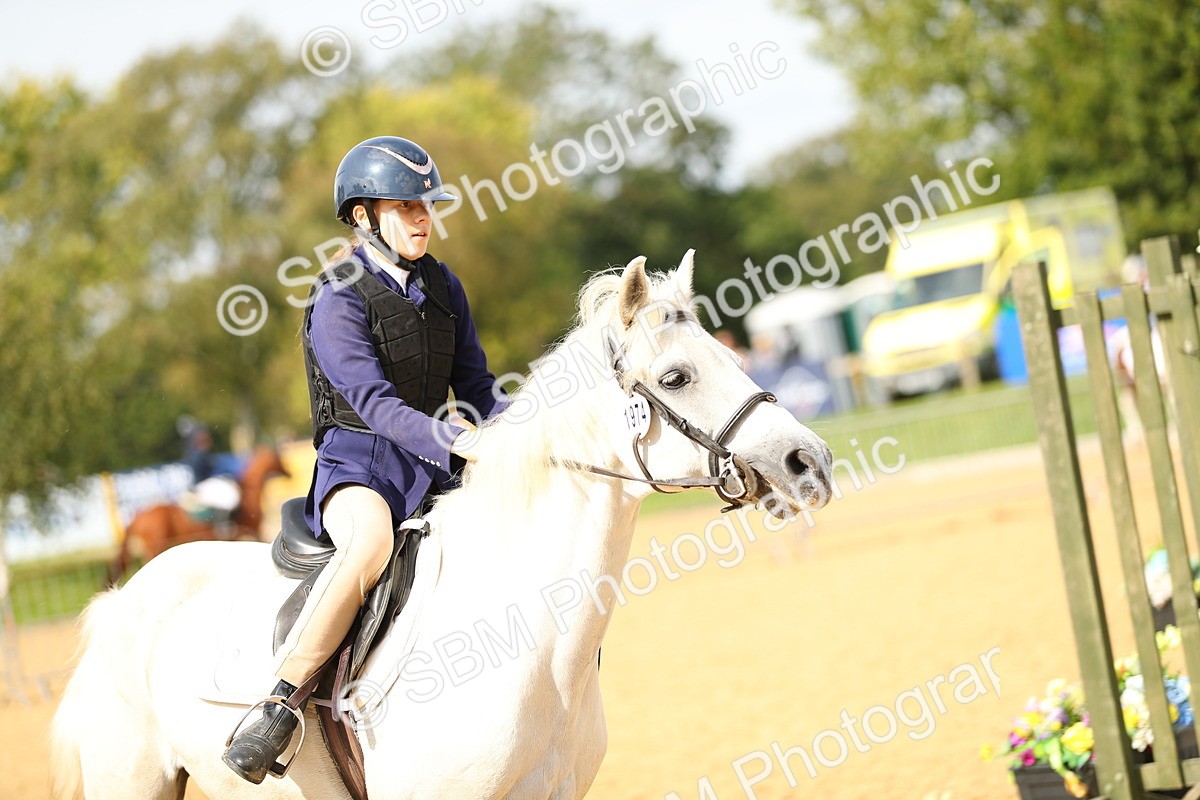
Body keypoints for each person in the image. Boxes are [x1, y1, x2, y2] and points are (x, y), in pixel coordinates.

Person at [223, 136, 508, 784]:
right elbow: (375, 406)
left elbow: (480, 385)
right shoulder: (337, 297)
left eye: (426, 205)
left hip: (435, 464)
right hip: (360, 465)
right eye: (404, 206)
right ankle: (280, 703)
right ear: (362, 215)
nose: (421, 218)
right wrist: (458, 440)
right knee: (370, 547)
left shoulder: (444, 285)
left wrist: (522, 430)